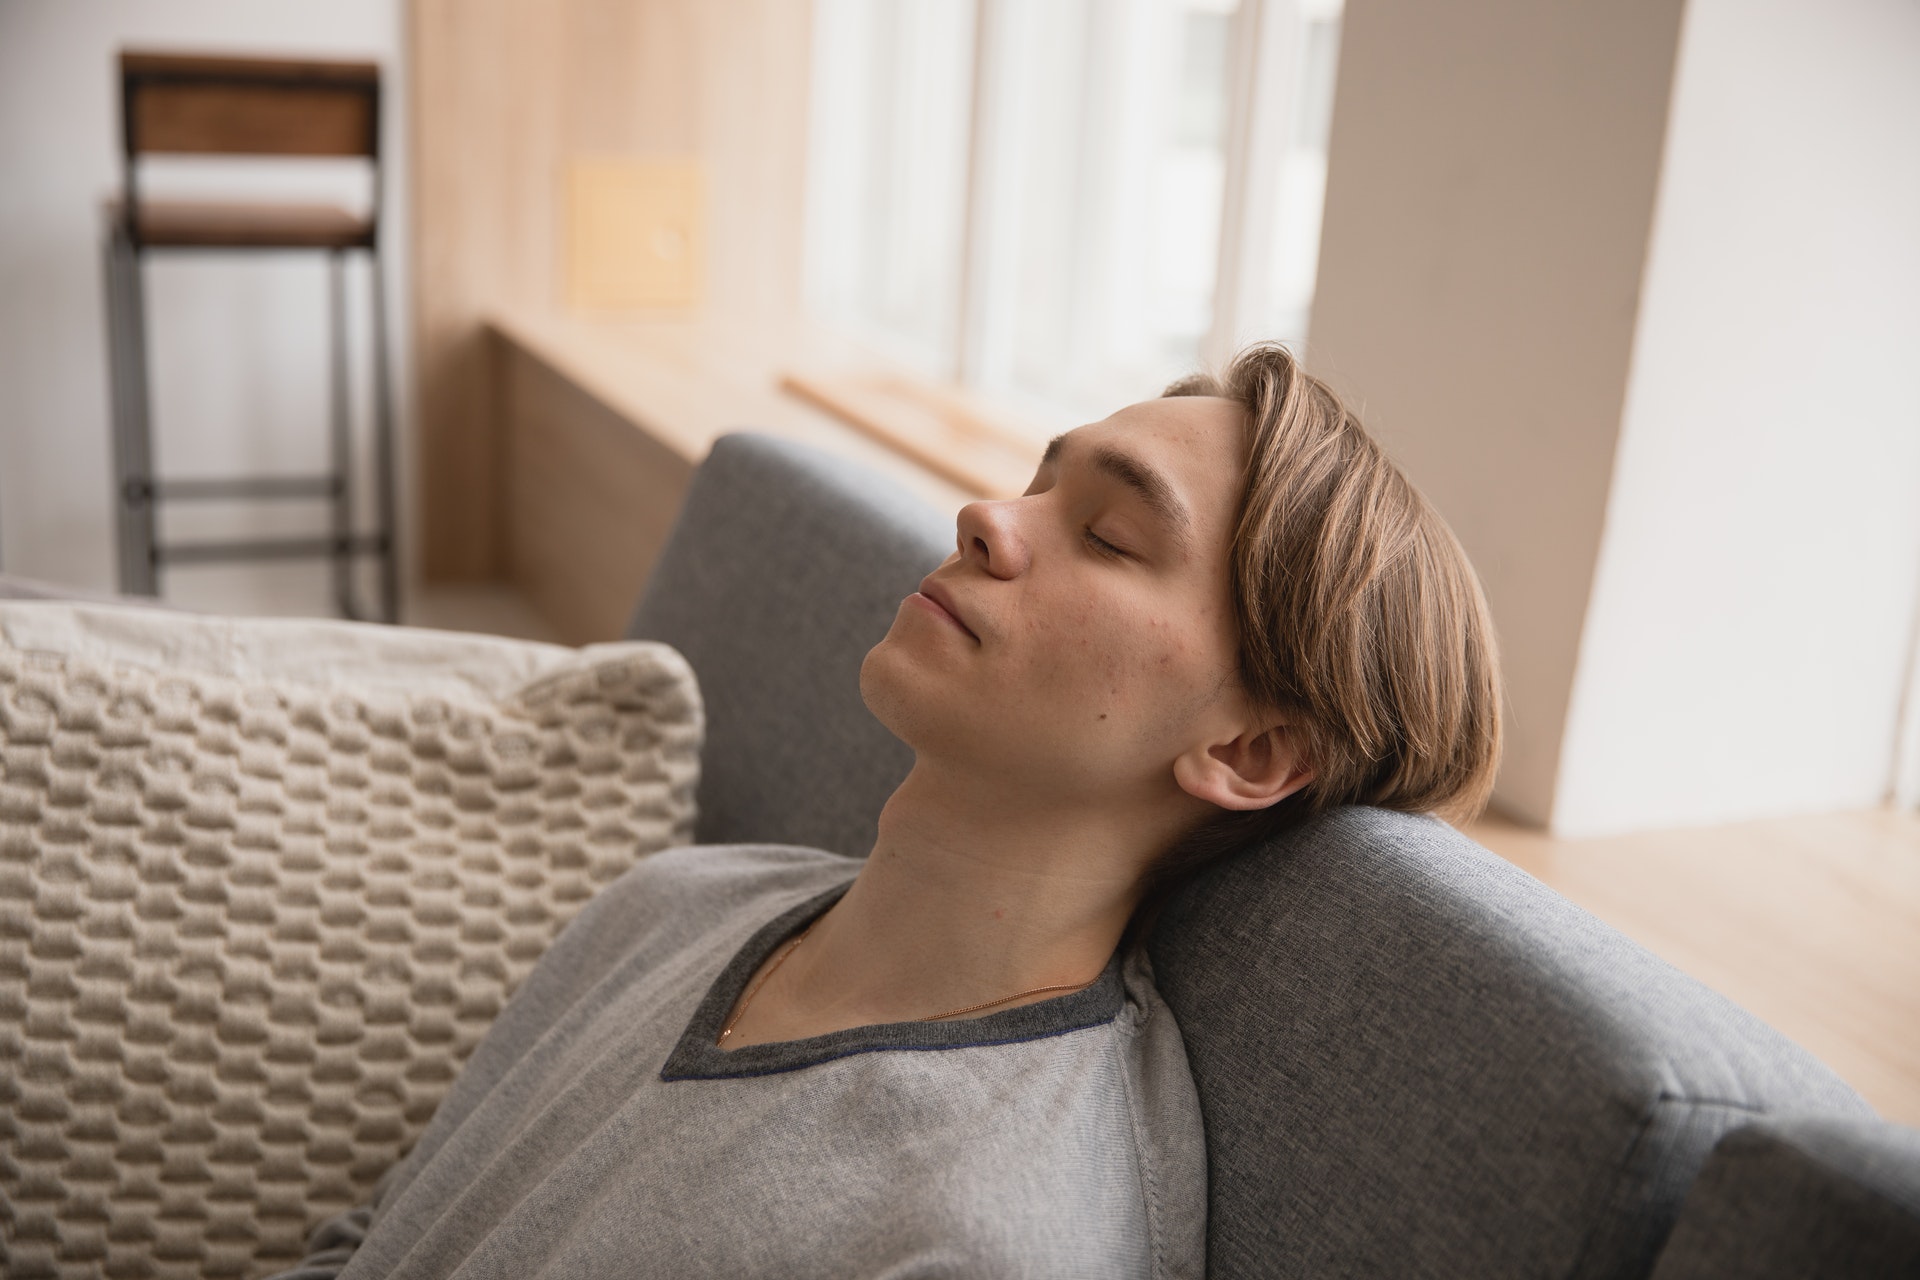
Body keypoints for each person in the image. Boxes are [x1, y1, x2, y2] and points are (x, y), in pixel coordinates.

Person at [273, 343, 1500, 1279]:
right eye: (1034, 480)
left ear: (1249, 748)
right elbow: (370, 1240)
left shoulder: (988, 1234)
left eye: (1112, 536)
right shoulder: (677, 900)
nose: (986, 516)